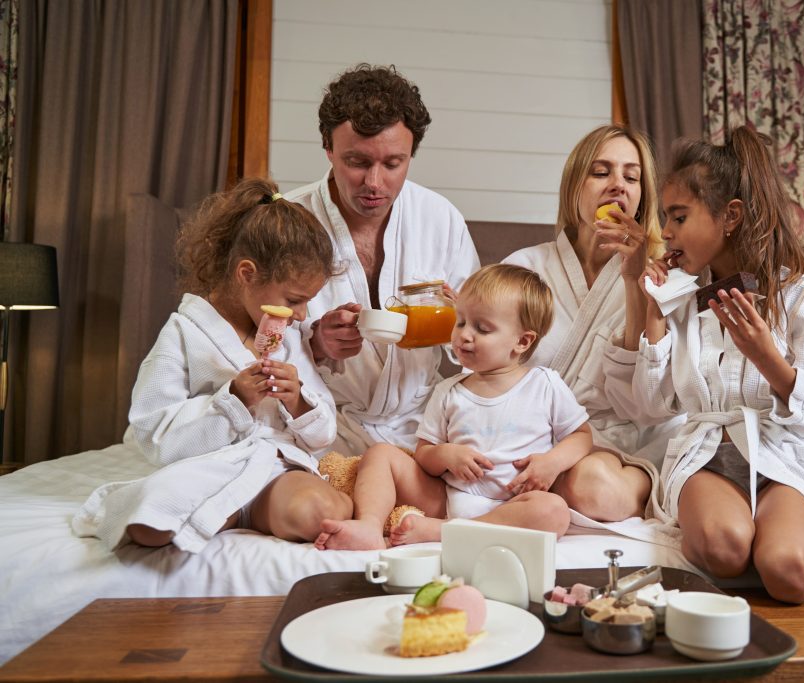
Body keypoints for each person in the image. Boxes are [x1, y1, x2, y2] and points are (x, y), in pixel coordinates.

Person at [602, 126, 804, 603]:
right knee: (724, 549)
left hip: (780, 459)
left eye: (678, 217)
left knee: (789, 573)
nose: (665, 233)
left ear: (729, 215)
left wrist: (767, 358)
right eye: (664, 219)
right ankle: (746, 527)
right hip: (707, 459)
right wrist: (653, 304)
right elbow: (650, 408)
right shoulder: (681, 301)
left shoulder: (799, 295)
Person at [71, 178, 352, 552]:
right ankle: (231, 509)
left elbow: (323, 434)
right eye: (294, 299)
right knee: (148, 524)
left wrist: (298, 400)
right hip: (207, 466)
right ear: (247, 273)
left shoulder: (292, 336)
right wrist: (233, 399)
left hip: (275, 470)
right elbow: (154, 432)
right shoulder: (184, 333)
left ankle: (249, 508)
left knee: (320, 512)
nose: (302, 314)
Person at [315, 264, 589, 550]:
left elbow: (581, 436)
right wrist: (447, 455)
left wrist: (552, 462)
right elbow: (424, 455)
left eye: (482, 328)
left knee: (554, 512)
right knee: (380, 454)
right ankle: (368, 526)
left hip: (513, 503)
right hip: (449, 496)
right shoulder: (449, 391)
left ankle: (444, 531)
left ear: (522, 341)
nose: (464, 335)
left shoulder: (544, 384)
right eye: (460, 322)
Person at [286, 64, 479, 455]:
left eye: (393, 164)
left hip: (418, 429)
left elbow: (480, 339)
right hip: (319, 426)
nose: (375, 183)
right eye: (357, 162)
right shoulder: (286, 223)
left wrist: (461, 322)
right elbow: (251, 345)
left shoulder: (441, 219)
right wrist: (317, 344)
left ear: (411, 155)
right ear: (328, 148)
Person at [502, 124, 685, 524]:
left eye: (631, 177)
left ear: (641, 197)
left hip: (629, 444)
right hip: (537, 441)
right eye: (601, 172)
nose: (618, 185)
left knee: (596, 488)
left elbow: (648, 404)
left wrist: (634, 282)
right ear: (574, 187)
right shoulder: (524, 269)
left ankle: (654, 491)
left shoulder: (667, 279)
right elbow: (486, 365)